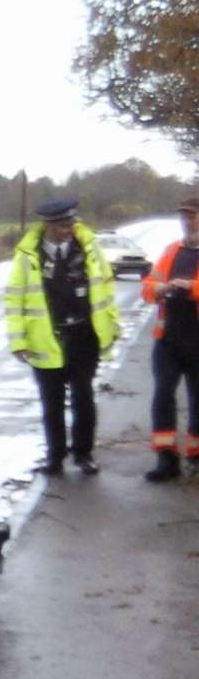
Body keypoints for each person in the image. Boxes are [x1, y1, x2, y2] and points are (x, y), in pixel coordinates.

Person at [5, 197, 120, 475]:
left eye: (70, 223)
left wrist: (112, 325)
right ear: (47, 225)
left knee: (83, 396)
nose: (67, 229)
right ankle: (54, 457)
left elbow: (105, 287)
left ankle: (84, 454)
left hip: (84, 335)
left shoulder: (89, 248)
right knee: (51, 402)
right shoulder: (28, 254)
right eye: (61, 225)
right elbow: (14, 299)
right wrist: (18, 341)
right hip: (46, 339)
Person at [140, 195, 199, 482]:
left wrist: (191, 286)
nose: (187, 221)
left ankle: (196, 457)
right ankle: (166, 459)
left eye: (192, 215)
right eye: (183, 216)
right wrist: (160, 289)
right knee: (163, 396)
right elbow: (148, 286)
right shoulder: (171, 250)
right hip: (168, 340)